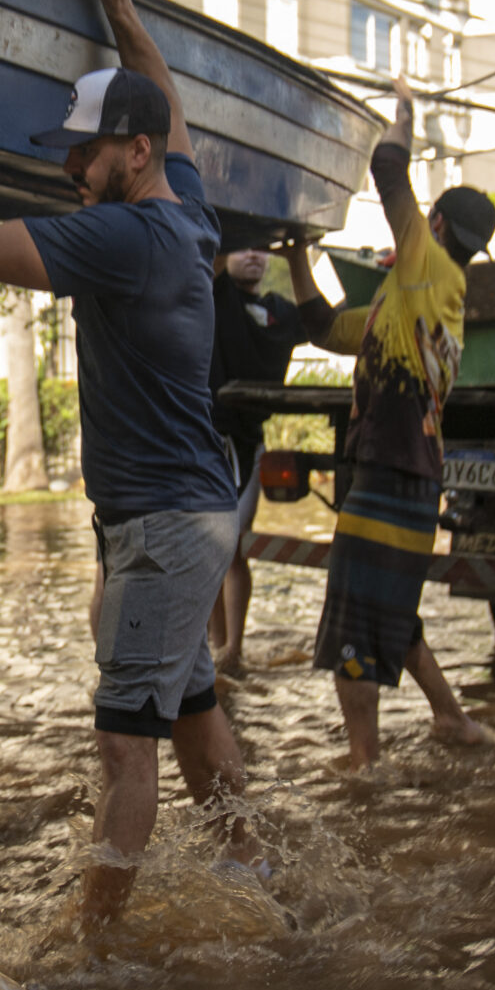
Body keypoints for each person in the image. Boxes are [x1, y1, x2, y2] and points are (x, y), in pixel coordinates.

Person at [0, 0, 260, 934]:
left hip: (162, 525)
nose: (67, 168)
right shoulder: (188, 212)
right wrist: (123, 16)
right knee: (189, 712)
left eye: (81, 153)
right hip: (187, 512)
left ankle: (95, 947)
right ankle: (259, 879)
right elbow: (168, 100)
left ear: (129, 154)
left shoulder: (122, 238)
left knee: (124, 744)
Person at [306, 77, 495, 768]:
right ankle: (452, 721)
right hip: (408, 479)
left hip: (391, 474)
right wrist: (297, 256)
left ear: (439, 227)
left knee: (356, 624)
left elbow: (388, 166)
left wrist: (406, 106)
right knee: (391, 611)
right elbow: (329, 328)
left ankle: (364, 762)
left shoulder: (426, 267)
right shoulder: (417, 293)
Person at [206, 237, 330, 675]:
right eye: (245, 246)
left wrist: (301, 255)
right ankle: (214, 648)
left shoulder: (281, 311)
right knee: (208, 548)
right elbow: (212, 251)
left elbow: (323, 320)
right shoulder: (213, 294)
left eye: (262, 248)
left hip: (248, 441)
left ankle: (233, 650)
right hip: (209, 438)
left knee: (235, 545)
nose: (254, 253)